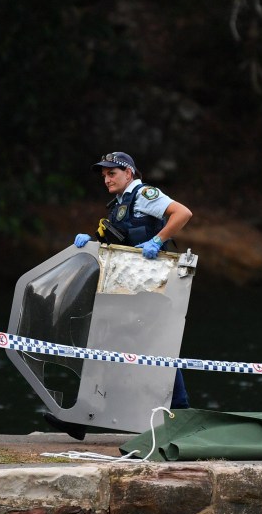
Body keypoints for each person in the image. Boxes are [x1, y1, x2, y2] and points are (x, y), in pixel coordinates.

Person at [74, 150, 193, 411]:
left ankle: (180, 410)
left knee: (157, 346)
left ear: (129, 173)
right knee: (114, 345)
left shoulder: (144, 194)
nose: (106, 179)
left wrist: (157, 240)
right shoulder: (120, 203)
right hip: (128, 287)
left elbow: (182, 213)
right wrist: (92, 244)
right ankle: (88, 412)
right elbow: (121, 245)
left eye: (112, 173)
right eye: (104, 175)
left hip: (150, 287)